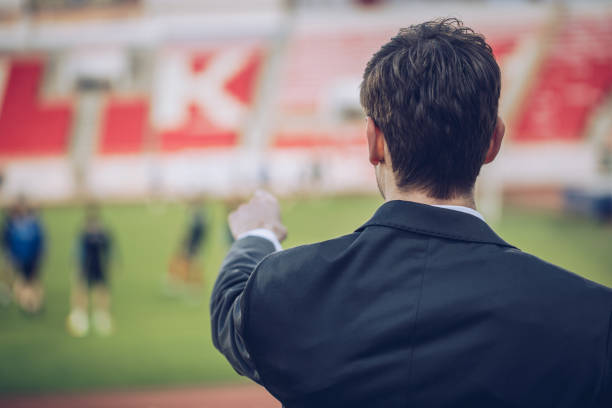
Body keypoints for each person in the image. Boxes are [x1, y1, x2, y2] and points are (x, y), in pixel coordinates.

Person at [210, 19, 612, 407]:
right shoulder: (592, 320)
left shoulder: (287, 291)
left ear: (374, 142)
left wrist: (256, 236)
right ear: (494, 141)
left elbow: (231, 308)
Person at [66, 207, 114, 337]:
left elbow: (110, 251)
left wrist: (111, 264)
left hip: (99, 267)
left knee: (102, 290)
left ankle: (101, 315)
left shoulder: (104, 235)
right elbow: (76, 252)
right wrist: (76, 267)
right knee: (81, 290)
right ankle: (80, 314)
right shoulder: (82, 236)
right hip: (84, 267)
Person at [1, 197, 45, 313]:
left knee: (32, 281)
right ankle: (27, 304)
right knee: (22, 281)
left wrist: (39, 255)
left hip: (32, 258)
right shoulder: (11, 224)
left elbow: (40, 241)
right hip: (19, 258)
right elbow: (6, 241)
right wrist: (10, 255)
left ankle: (33, 304)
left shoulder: (33, 223)